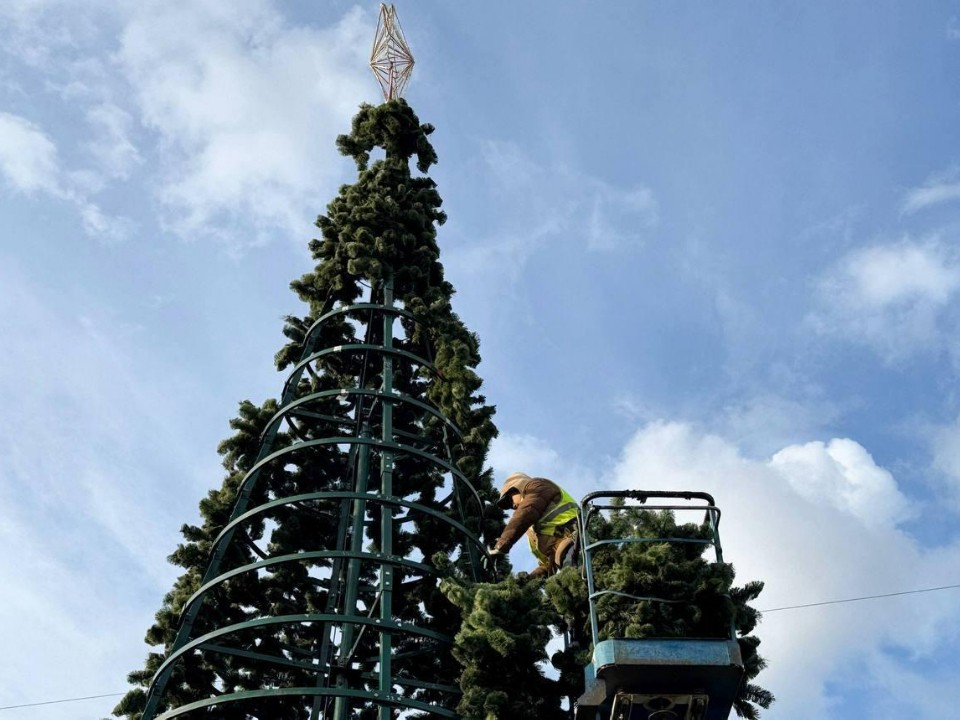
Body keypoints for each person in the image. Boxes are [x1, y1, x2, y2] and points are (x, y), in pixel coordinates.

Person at [487, 471, 580, 578]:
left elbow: (525, 513)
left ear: (517, 487)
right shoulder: (533, 530)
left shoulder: (537, 486)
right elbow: (546, 565)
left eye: (509, 499)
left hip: (577, 544)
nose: (512, 506)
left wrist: (501, 545)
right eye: (508, 505)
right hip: (565, 558)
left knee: (577, 580)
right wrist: (529, 580)